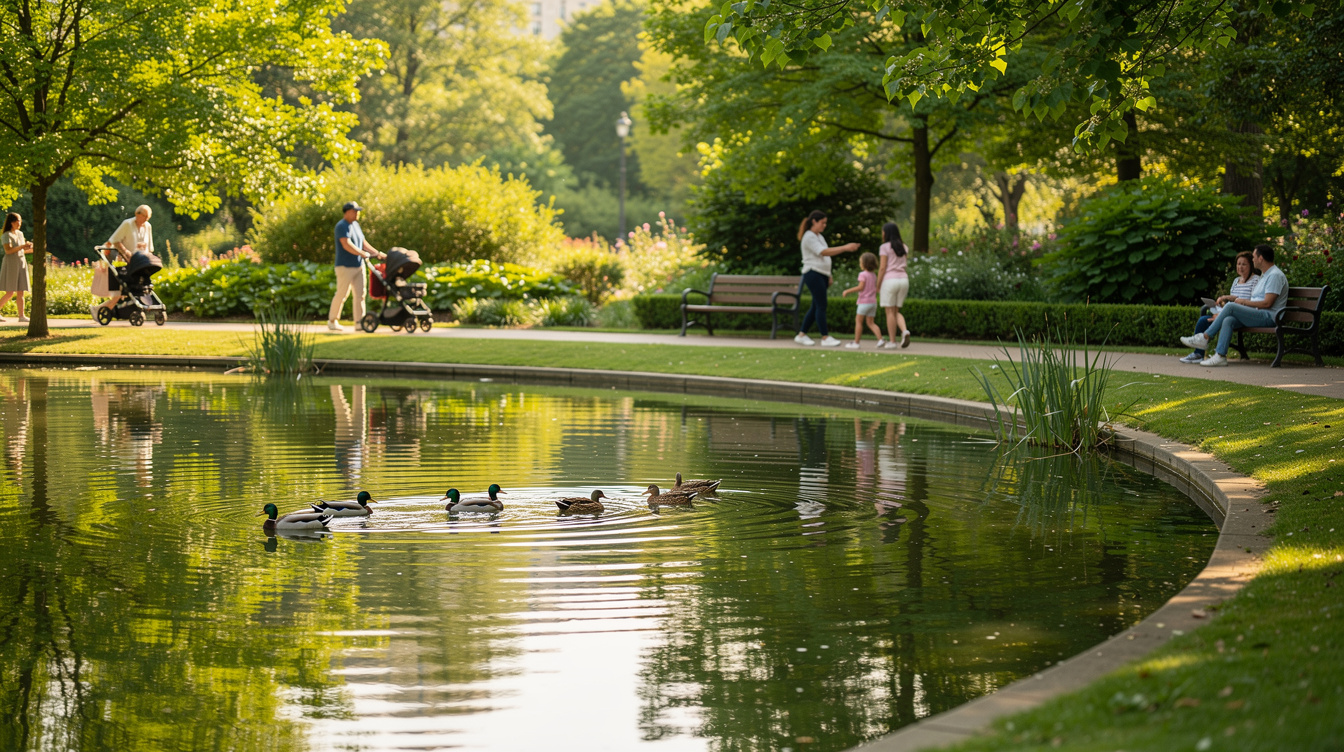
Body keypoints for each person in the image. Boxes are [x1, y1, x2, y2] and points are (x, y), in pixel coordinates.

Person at [1180, 244, 1288, 367]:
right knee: (1228, 319)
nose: (1252, 260)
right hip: (1259, 314)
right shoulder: (1265, 275)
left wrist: (1243, 302)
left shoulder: (1274, 275)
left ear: (1261, 258)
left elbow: (1267, 303)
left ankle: (1205, 337)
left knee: (1231, 307)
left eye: (1253, 257)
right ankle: (1220, 356)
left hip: (1270, 316)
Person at [1179, 251, 1259, 363]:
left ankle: (1206, 340)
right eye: (1238, 264)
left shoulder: (1256, 280)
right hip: (1231, 313)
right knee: (1203, 320)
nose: (1240, 267)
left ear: (1251, 265)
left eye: (1244, 264)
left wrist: (1222, 313)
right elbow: (1233, 302)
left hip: (1245, 315)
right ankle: (1198, 354)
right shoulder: (1236, 281)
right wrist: (1220, 308)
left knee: (1225, 318)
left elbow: (1253, 302)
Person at [795, 210, 859, 347]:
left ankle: (801, 334)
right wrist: (845, 247)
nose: (824, 225)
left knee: (816, 306)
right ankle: (825, 337)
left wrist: (829, 275)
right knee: (821, 305)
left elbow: (825, 256)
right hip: (813, 273)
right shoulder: (809, 236)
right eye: (822, 223)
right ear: (814, 221)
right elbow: (823, 252)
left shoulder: (819, 236)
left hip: (821, 274)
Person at [329, 201, 385, 332]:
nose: (357, 214)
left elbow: (363, 243)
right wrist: (362, 253)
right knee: (342, 293)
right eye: (355, 211)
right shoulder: (341, 226)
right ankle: (332, 320)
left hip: (359, 265)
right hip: (344, 266)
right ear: (348, 212)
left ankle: (360, 323)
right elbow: (346, 244)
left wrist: (376, 253)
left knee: (361, 294)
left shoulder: (356, 225)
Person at [94, 205, 154, 318]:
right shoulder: (128, 224)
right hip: (128, 261)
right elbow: (115, 241)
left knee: (138, 286)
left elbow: (150, 247)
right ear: (137, 214)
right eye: (144, 216)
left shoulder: (148, 226)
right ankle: (101, 309)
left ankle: (101, 309)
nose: (146, 219)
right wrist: (126, 253)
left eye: (148, 217)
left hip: (141, 262)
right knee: (126, 288)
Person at [875, 221, 911, 348]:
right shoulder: (904, 247)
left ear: (886, 233)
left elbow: (882, 268)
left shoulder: (884, 247)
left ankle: (892, 342)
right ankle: (905, 330)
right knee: (896, 311)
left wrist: (877, 285)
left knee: (889, 311)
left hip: (890, 280)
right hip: (903, 280)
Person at [842, 252, 885, 349]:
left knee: (858, 322)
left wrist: (847, 291)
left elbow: (861, 287)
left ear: (863, 263)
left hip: (863, 303)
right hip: (873, 302)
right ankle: (880, 339)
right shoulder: (874, 275)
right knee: (871, 323)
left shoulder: (863, 274)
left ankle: (856, 343)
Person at [1, 213, 32, 322]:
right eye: (16, 221)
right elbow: (8, 251)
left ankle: (21, 316)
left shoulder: (20, 234)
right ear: (11, 222)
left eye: (20, 221)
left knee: (21, 290)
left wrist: (30, 249)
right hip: (11, 264)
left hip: (21, 262)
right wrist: (22, 246)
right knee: (10, 292)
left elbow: (21, 250)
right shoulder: (6, 235)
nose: (19, 223)